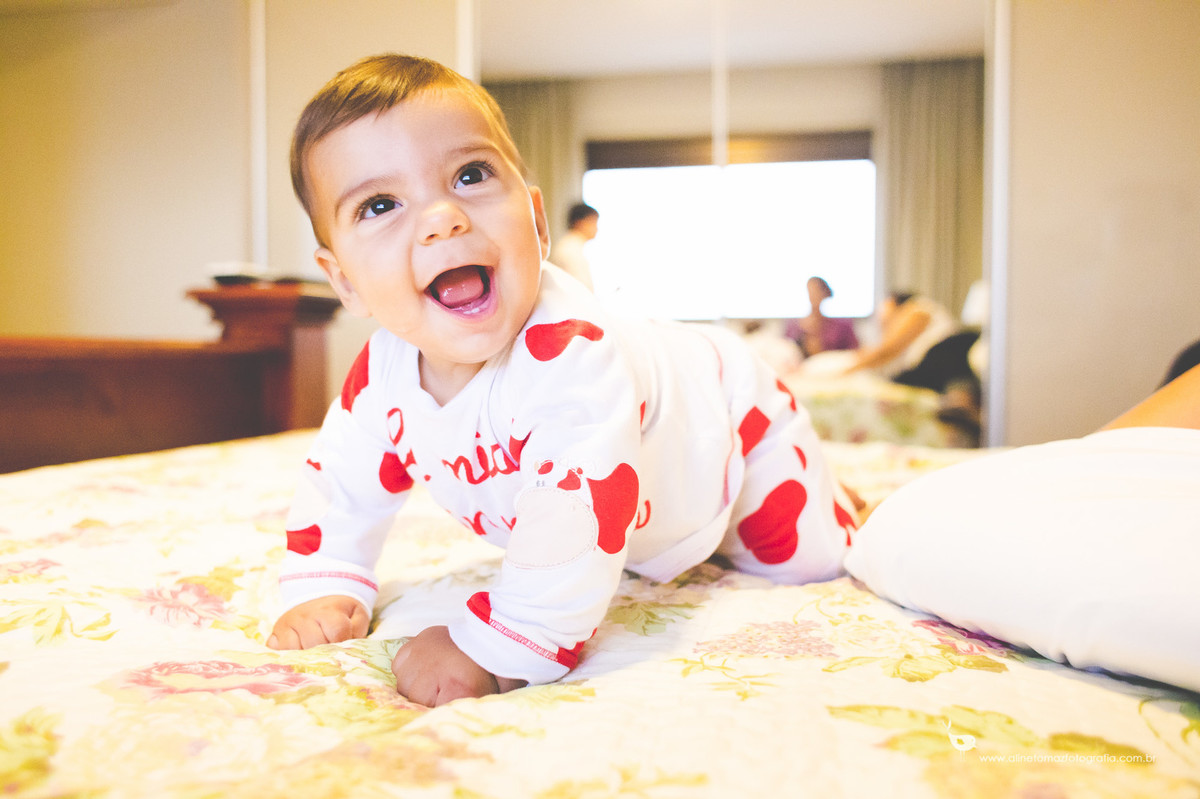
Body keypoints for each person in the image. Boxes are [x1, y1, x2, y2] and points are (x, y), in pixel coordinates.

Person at [267, 53, 860, 708]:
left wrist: (495, 647)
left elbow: (576, 513)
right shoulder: (381, 380)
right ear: (345, 279)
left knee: (809, 557)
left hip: (730, 425)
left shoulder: (570, 356)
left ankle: (842, 500)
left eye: (470, 175)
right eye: (380, 204)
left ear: (538, 222)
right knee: (632, 542)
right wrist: (326, 579)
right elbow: (342, 484)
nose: (442, 217)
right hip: (644, 506)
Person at [787, 276, 859, 356]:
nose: (813, 296)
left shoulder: (842, 326)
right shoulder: (796, 327)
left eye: (816, 292)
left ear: (825, 293)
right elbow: (787, 350)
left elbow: (854, 351)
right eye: (811, 292)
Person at [548, 202, 599, 290]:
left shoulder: (573, 246)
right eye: (593, 222)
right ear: (580, 222)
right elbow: (582, 287)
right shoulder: (570, 249)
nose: (596, 229)